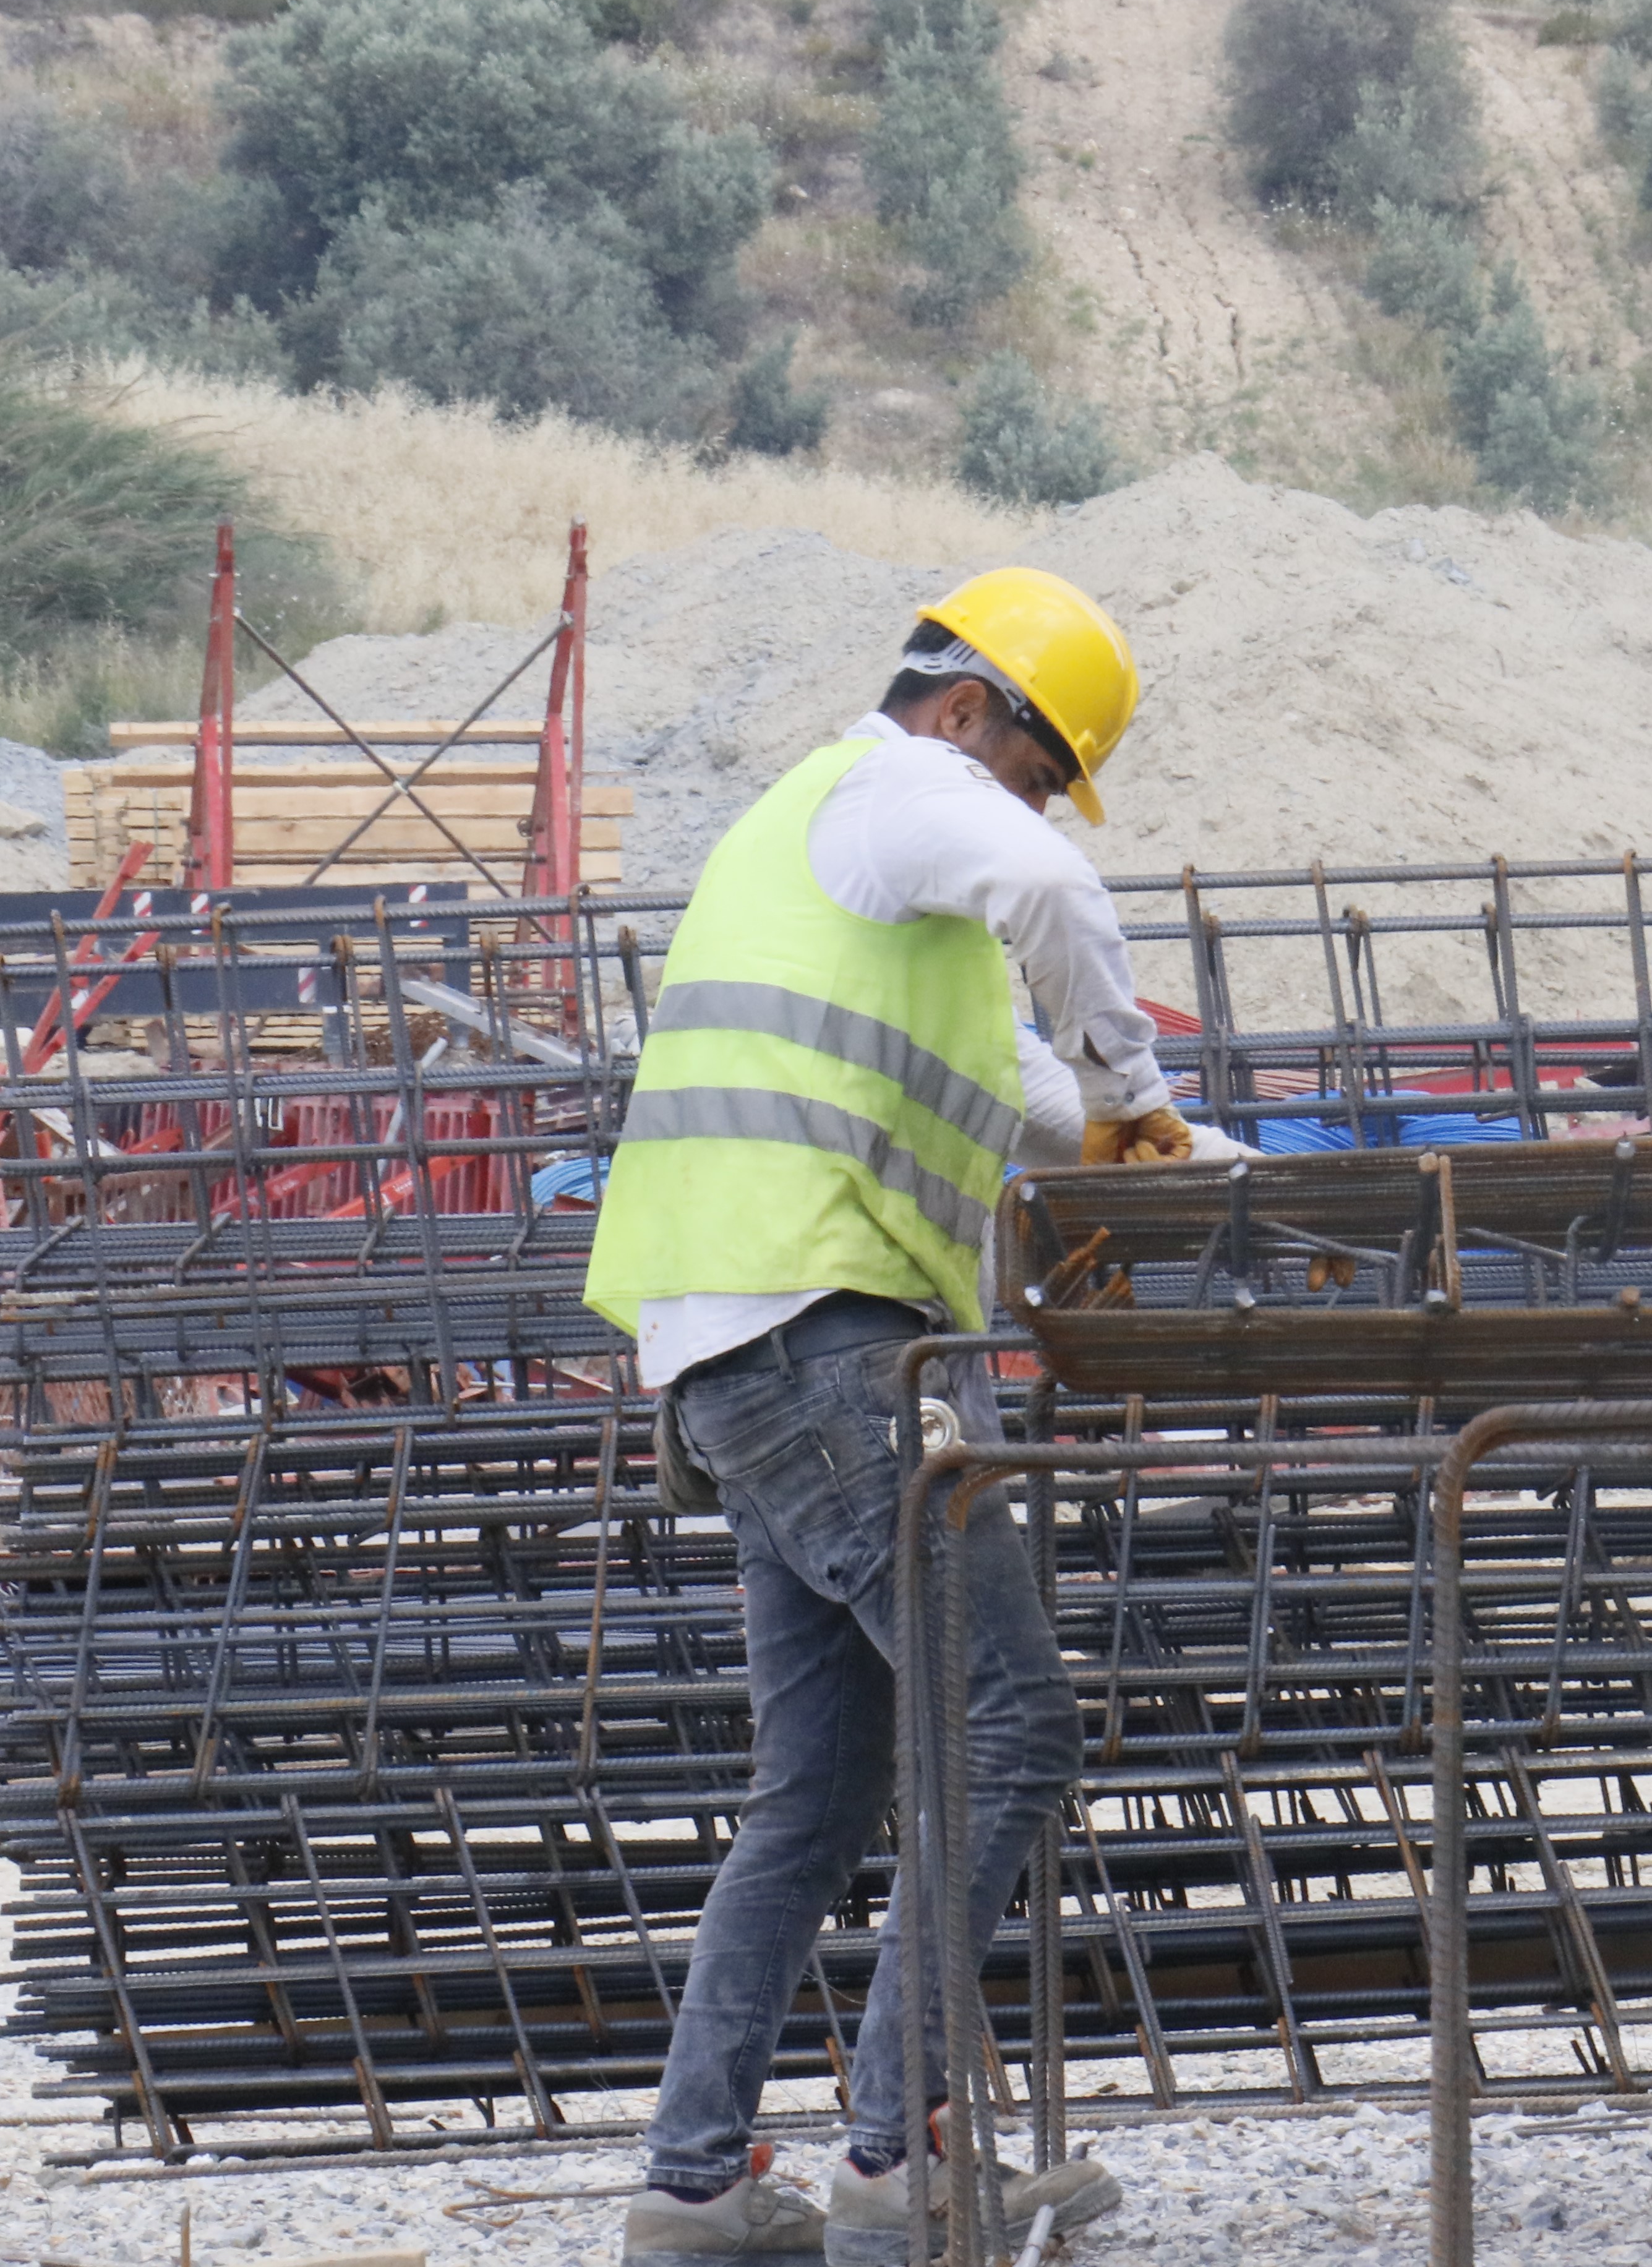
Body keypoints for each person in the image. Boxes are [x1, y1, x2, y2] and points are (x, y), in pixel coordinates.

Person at [585, 568, 1216, 2263]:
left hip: (750, 1347)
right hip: (824, 1345)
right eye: (1032, 765)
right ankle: (898, 2155)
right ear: (962, 713)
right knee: (1015, 1724)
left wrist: (1175, 1152)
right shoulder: (898, 796)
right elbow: (1048, 883)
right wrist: (1142, 1084)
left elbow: (1031, 1107)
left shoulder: (868, 895)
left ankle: (696, 2186)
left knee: (824, 1784)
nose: (1025, 804)